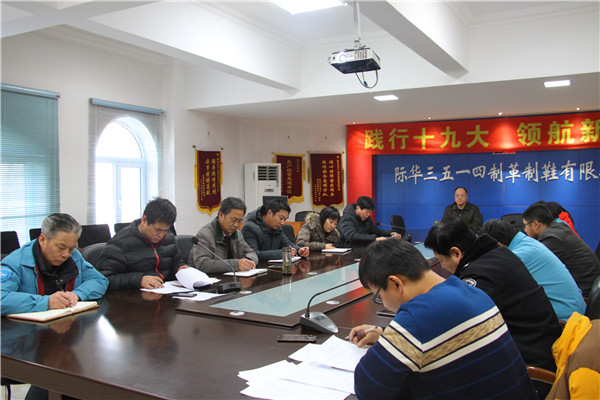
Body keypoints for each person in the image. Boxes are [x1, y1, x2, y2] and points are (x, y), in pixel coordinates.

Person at [349, 239, 536, 400]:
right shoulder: (473, 292)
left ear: (395, 283)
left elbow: (367, 388)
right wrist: (387, 336)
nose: (383, 304)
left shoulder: (417, 318)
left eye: (379, 296)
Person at [424, 217, 561, 371]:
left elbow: (460, 325)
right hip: (545, 345)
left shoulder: (479, 276)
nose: (443, 267)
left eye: (442, 260)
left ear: (456, 253)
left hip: (531, 363)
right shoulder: (499, 253)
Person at [1, 213, 108, 316]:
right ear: (42, 240)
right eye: (61, 248)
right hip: (26, 326)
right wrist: (46, 302)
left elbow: (99, 280)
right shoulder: (16, 263)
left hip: (67, 321)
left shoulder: (74, 256)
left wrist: (77, 294)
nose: (66, 254)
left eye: (71, 248)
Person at [481, 219, 585, 321]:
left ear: (499, 245)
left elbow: (493, 288)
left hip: (565, 321)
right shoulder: (527, 242)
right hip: (574, 311)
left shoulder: (518, 256)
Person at [97, 198, 188, 291]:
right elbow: (104, 279)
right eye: (158, 230)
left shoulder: (169, 238)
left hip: (166, 292)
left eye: (166, 230)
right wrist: (139, 280)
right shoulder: (120, 243)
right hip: (134, 296)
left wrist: (180, 269)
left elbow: (176, 263)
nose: (161, 235)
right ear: (144, 220)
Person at [522, 203, 600, 297]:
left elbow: (532, 265)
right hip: (588, 286)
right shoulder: (558, 228)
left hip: (584, 294)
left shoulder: (552, 238)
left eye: (525, 225)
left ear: (536, 224)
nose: (525, 230)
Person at [188, 197, 258, 274]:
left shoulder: (237, 234)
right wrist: (236, 264)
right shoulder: (204, 235)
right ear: (221, 215)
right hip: (208, 279)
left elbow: (252, 253)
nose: (236, 225)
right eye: (233, 220)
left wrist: (247, 262)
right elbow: (203, 264)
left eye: (240, 221)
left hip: (231, 277)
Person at [241, 198, 309, 261]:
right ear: (270, 212)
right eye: (281, 218)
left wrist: (299, 250)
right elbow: (253, 254)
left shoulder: (277, 228)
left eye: (285, 219)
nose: (282, 223)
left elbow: (288, 244)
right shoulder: (249, 228)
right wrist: (283, 253)